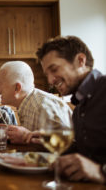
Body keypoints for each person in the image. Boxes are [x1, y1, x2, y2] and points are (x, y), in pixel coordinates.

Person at [35, 36, 106, 184]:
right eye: (46, 74)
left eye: (54, 69)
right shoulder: (79, 105)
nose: (50, 81)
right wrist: (43, 141)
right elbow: (88, 150)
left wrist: (100, 171)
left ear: (81, 61)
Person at [0, 61, 72, 144]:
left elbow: (66, 144)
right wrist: (13, 131)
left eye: (0, 84)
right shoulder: (29, 102)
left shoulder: (44, 107)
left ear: (17, 88)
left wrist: (26, 137)